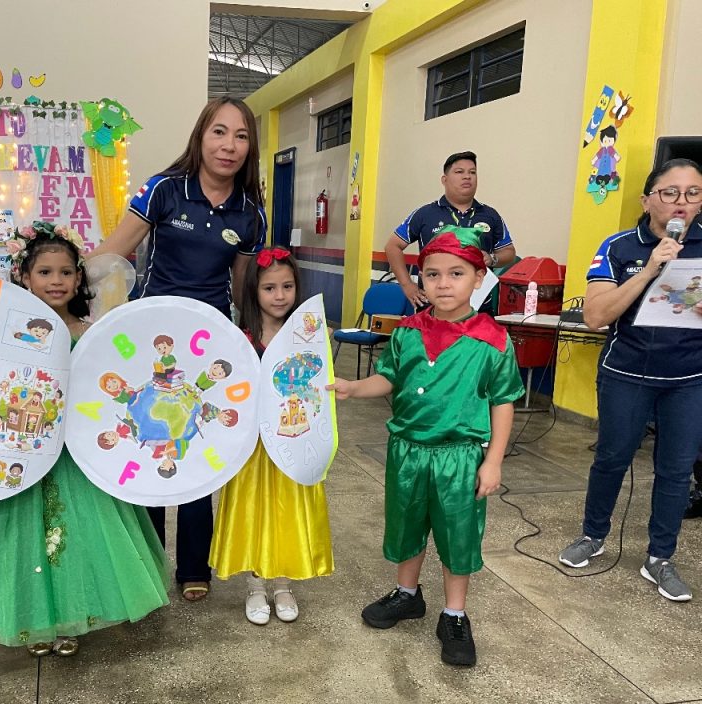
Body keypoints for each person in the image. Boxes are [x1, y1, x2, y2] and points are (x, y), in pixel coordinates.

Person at [0, 221, 169, 657]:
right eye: (45, 272)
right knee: (23, 533)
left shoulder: (91, 330)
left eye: (66, 272)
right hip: (22, 447)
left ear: (79, 278)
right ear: (23, 277)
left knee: (77, 530)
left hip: (78, 453)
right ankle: (33, 620)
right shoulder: (7, 333)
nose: (57, 281)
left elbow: (112, 382)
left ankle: (73, 615)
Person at [91, 97, 268, 602]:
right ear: (201, 136)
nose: (228, 145)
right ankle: (146, 564)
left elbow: (242, 290)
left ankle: (194, 566)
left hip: (206, 350)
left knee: (195, 450)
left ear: (249, 146)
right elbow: (110, 252)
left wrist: (257, 345)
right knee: (149, 443)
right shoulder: (165, 190)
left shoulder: (250, 213)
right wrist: (58, 279)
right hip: (149, 344)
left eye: (240, 135)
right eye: (219, 132)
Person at [329, 226, 523, 666]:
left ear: (478, 278)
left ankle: (454, 614)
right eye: (432, 274)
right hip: (408, 451)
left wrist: (493, 461)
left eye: (456, 273)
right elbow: (390, 379)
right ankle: (407, 593)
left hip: (460, 456)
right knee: (406, 525)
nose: (443, 283)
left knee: (458, 536)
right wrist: (354, 389)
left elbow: (505, 401)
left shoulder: (492, 339)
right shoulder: (407, 332)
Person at [558, 159, 702, 602]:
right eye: (670, 192)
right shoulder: (620, 246)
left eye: (693, 193)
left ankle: (660, 556)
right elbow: (597, 317)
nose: (681, 202)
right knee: (612, 459)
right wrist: (650, 269)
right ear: (647, 199)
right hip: (627, 374)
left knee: (676, 471)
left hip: (689, 378)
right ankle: (593, 534)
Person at [209, 247, 333, 625]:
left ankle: (283, 584)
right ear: (254, 291)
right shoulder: (241, 338)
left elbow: (317, 390)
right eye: (269, 288)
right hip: (252, 449)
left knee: (286, 511)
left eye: (287, 286)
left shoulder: (307, 338)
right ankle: (256, 586)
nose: (280, 296)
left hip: (292, 441)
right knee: (254, 511)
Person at [385, 151, 517, 309]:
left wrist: (493, 258)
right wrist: (407, 285)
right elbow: (392, 246)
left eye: (472, 172)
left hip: (479, 308)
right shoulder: (425, 214)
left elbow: (509, 252)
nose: (467, 176)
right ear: (444, 180)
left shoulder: (491, 215)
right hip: (433, 307)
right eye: (459, 172)